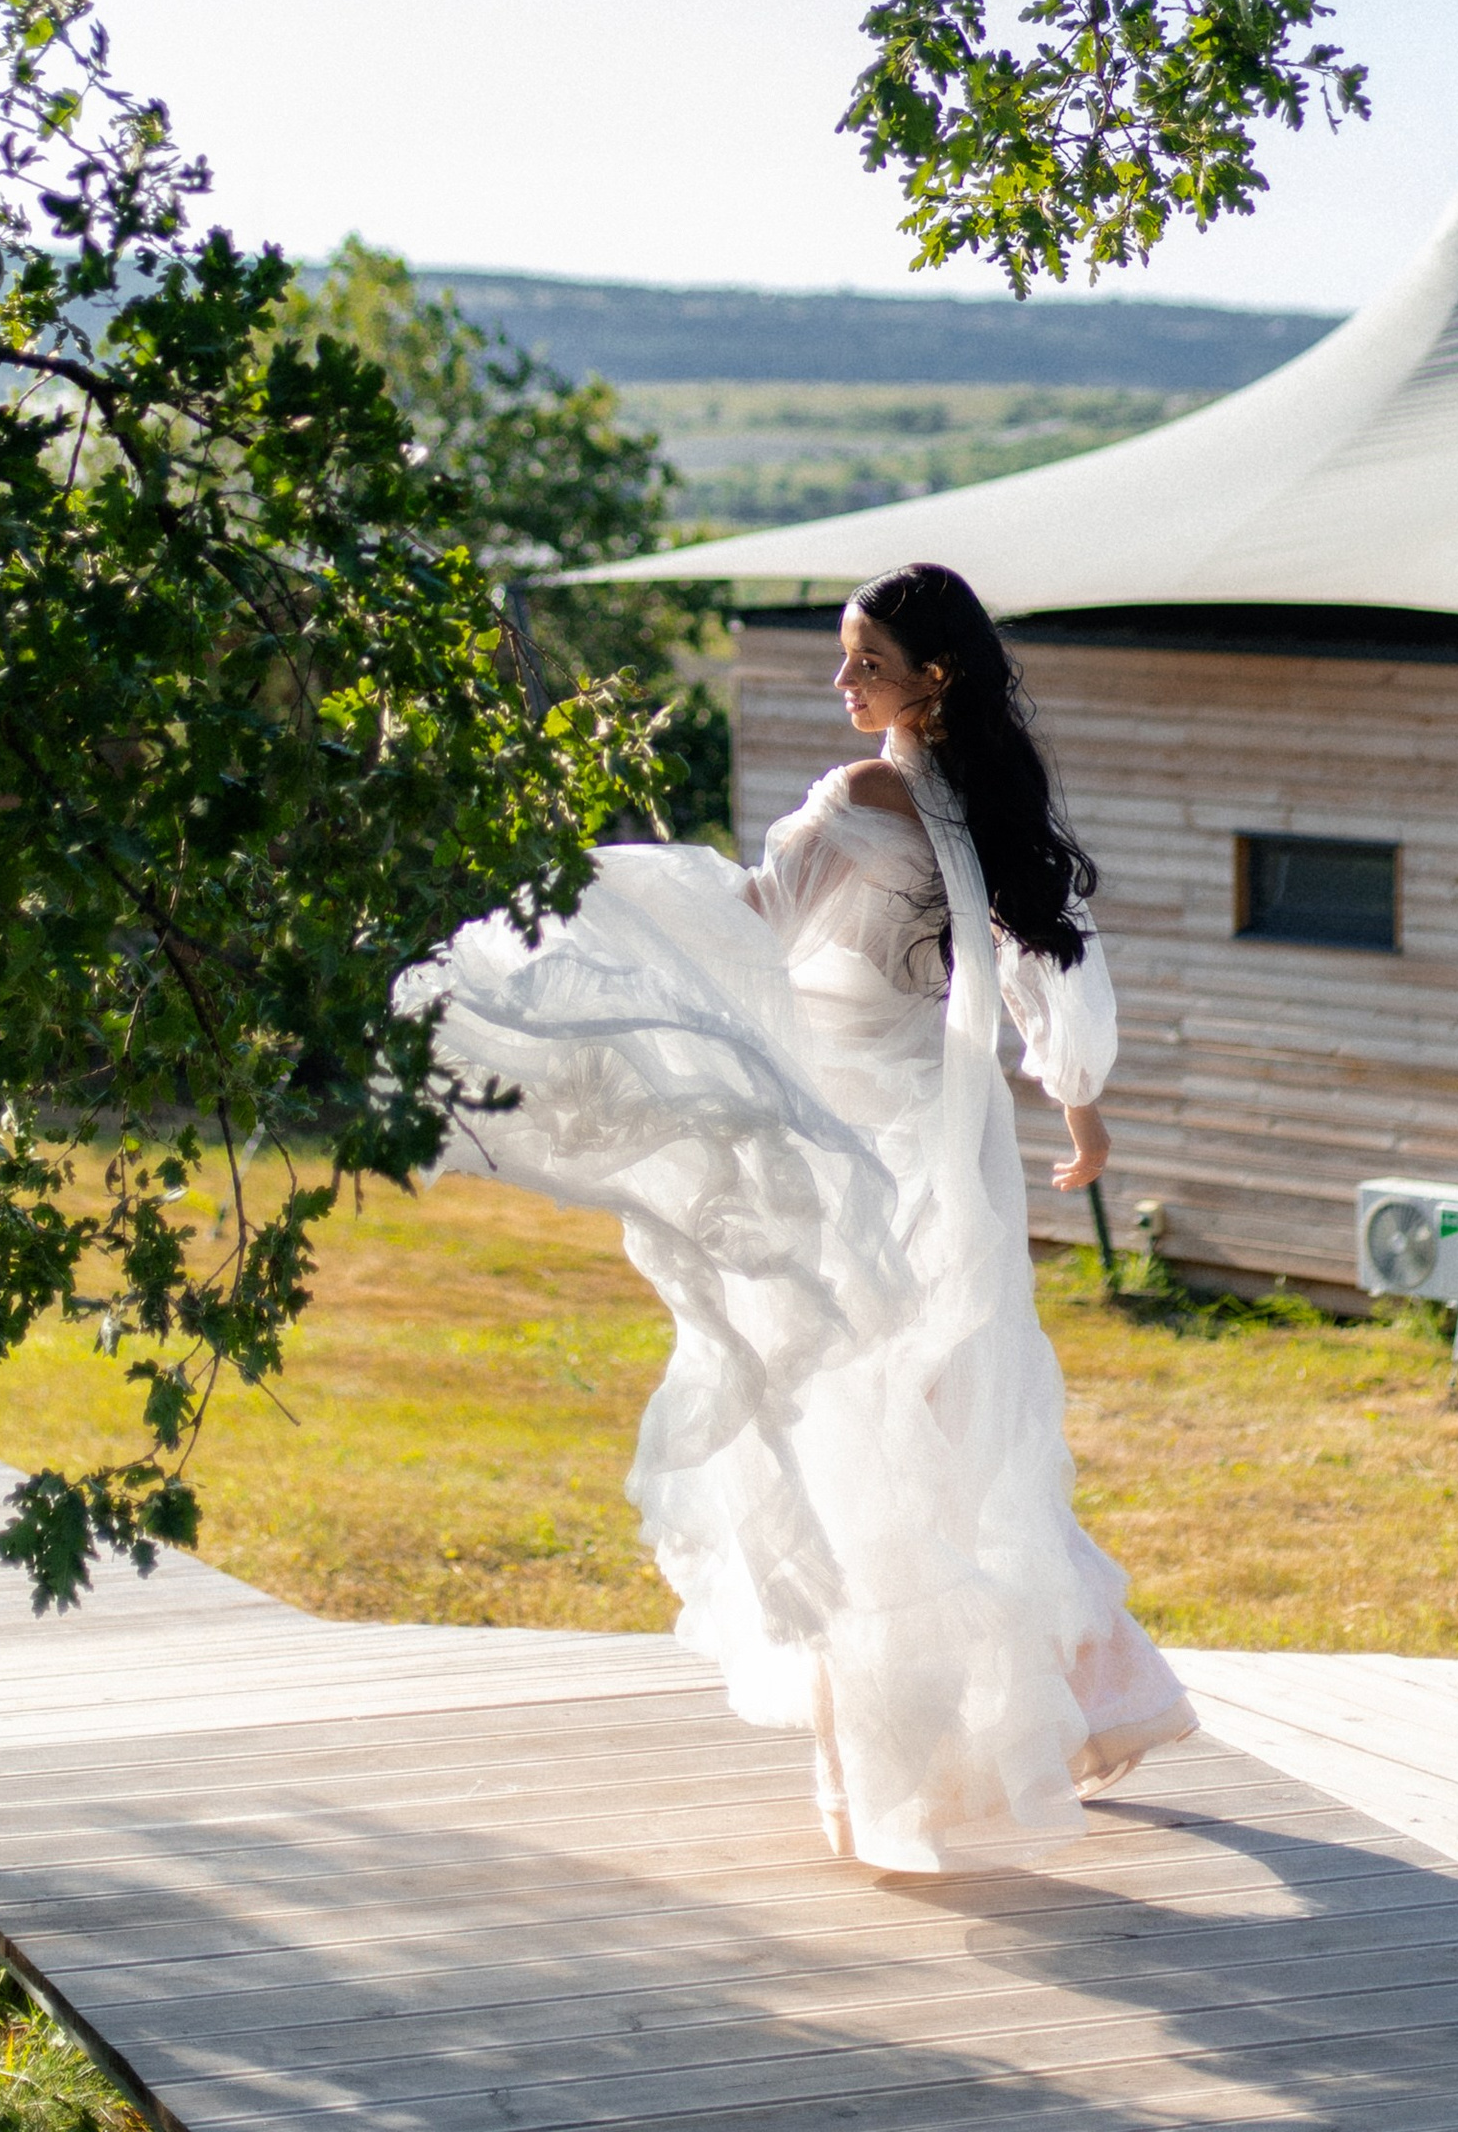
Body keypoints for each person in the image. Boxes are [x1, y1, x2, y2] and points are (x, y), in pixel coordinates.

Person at [415, 557, 1196, 1872]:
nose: (842, 682)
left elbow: (761, 929)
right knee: (943, 1422)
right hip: (947, 1150)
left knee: (845, 1443)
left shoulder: (865, 797)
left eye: (866, 664)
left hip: (853, 1147)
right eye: (843, 658)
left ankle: (880, 1777)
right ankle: (1090, 1698)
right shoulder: (974, 796)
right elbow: (1040, 957)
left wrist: (616, 904)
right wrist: (1079, 1104)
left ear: (931, 678)